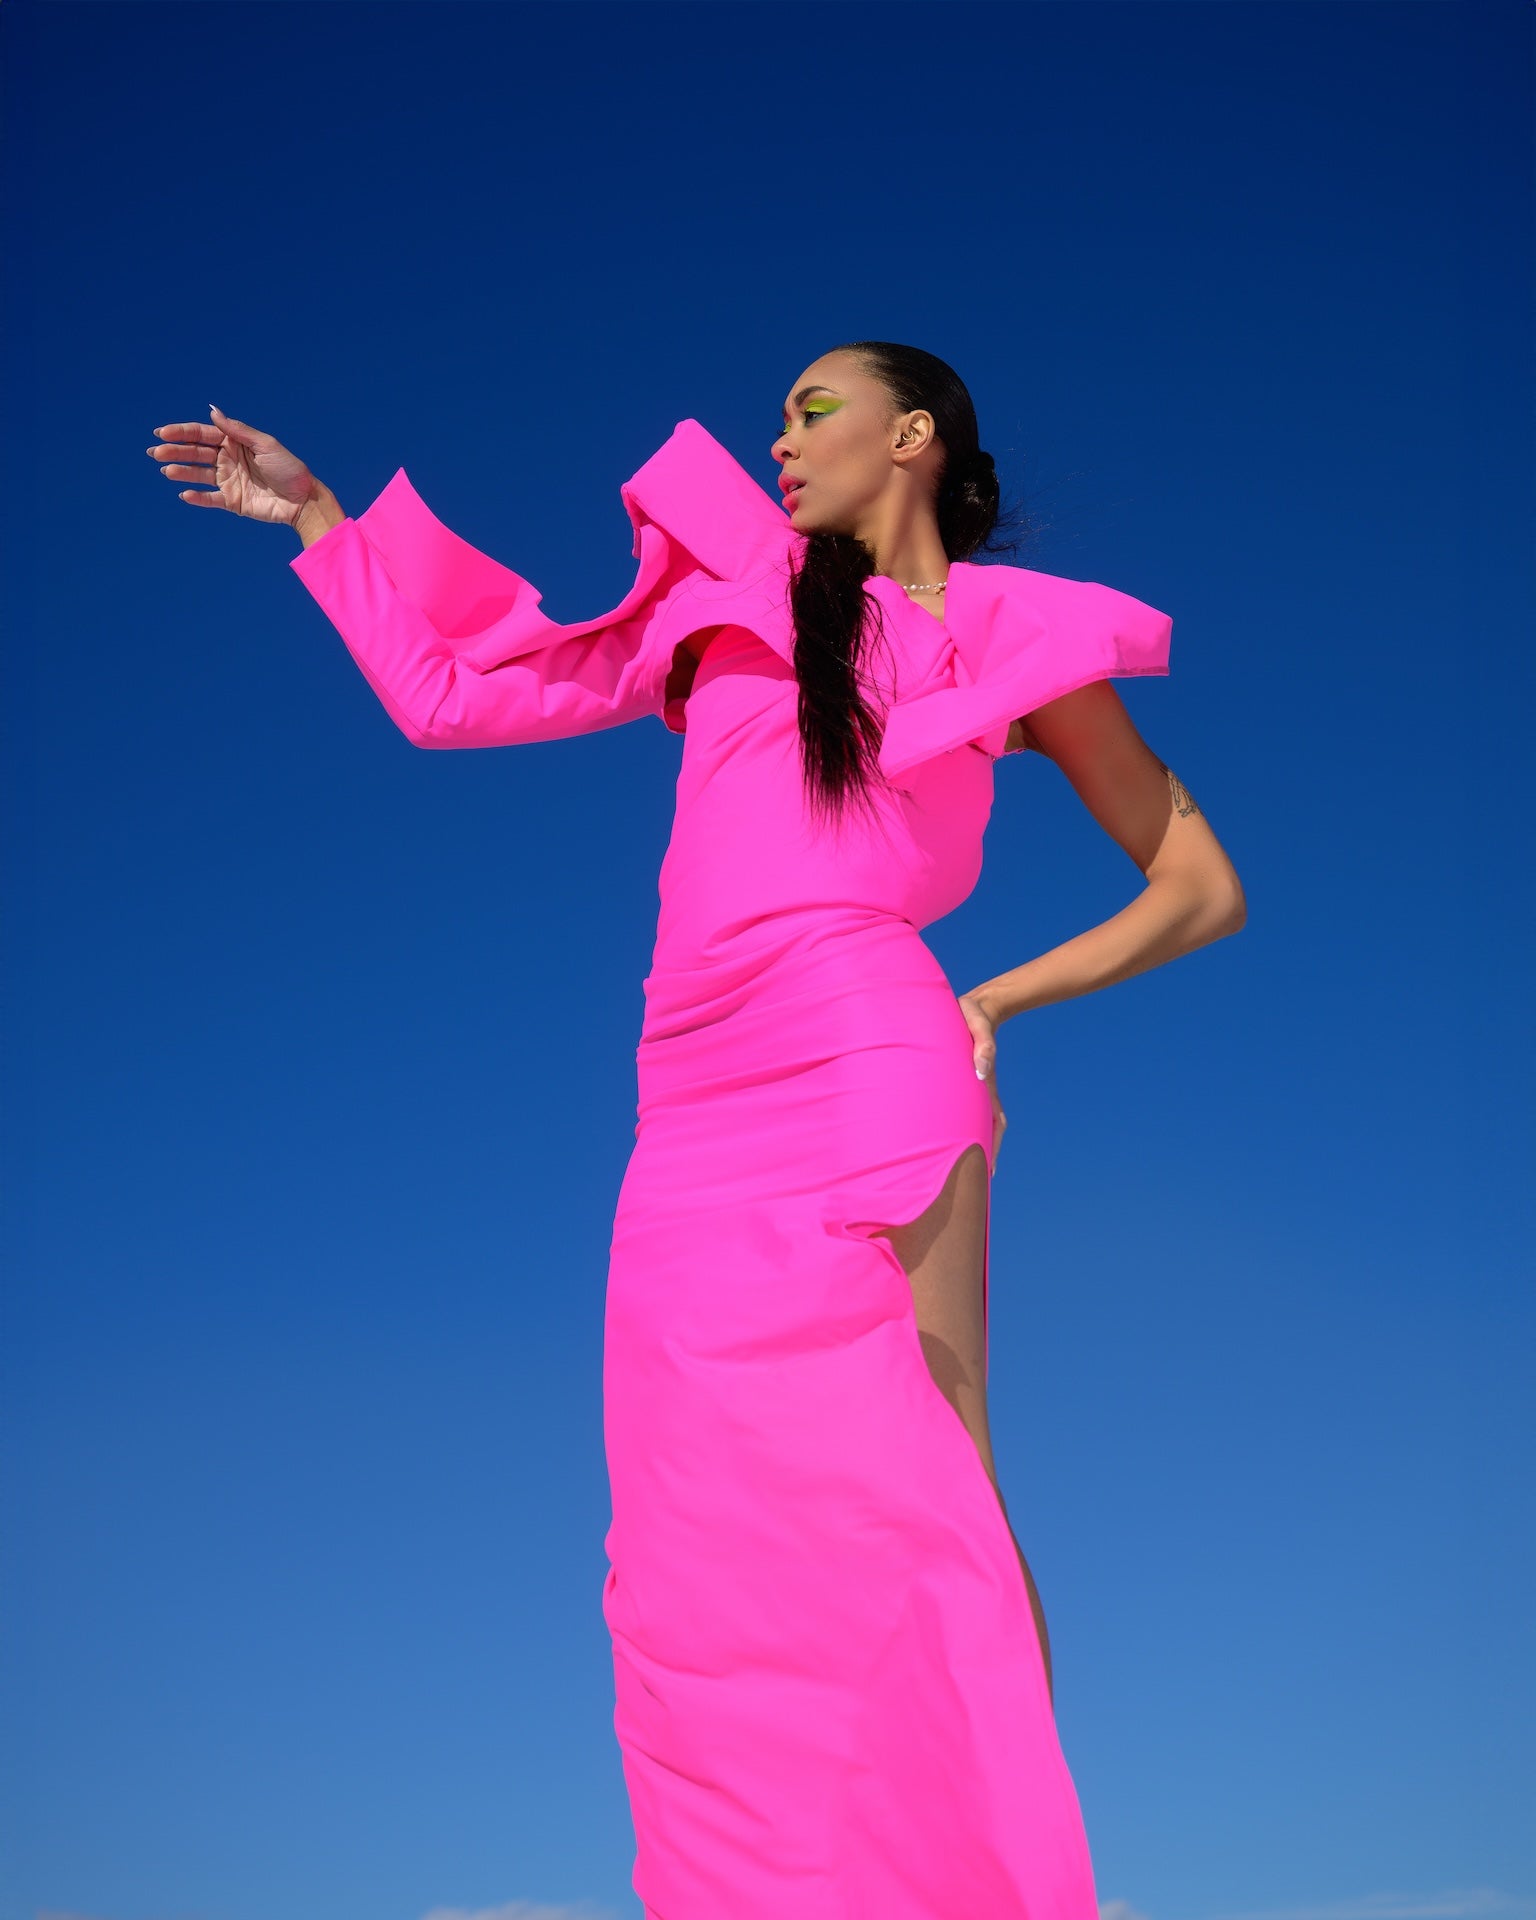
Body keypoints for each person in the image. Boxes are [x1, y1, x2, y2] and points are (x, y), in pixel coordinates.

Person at [148, 341, 1245, 1919]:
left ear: (915, 435)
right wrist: (318, 515)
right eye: (778, 418)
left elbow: (1196, 882)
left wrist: (996, 998)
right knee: (692, 1527)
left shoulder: (1012, 633)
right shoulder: (725, 597)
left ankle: (1004, 1888)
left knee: (936, 1482)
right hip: (689, 1100)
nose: (779, 440)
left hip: (868, 1045)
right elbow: (457, 694)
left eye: (814, 409)